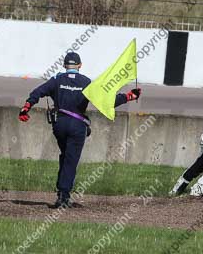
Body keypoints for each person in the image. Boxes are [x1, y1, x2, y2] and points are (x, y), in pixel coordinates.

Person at [19, 52, 141, 208]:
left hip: (60, 125)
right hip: (77, 126)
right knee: (70, 159)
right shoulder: (86, 82)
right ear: (80, 66)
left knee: (65, 156)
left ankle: (61, 190)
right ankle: (63, 196)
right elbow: (107, 100)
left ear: (64, 66)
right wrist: (129, 96)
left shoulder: (57, 80)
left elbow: (37, 92)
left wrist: (26, 107)